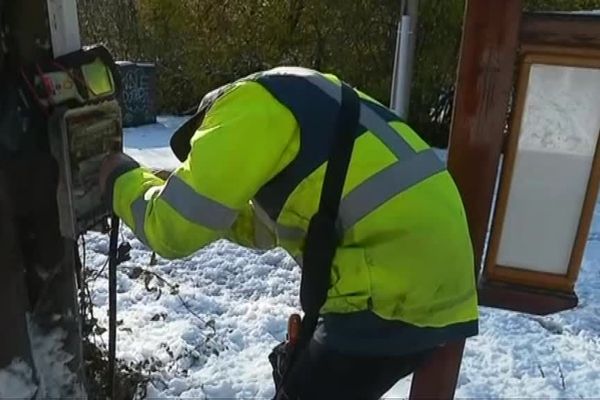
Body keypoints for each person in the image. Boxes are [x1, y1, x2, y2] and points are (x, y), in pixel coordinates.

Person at [99, 66, 479, 399]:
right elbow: (263, 230)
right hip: (448, 279)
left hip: (391, 285)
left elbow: (170, 230)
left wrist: (121, 178)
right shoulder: (300, 100)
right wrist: (200, 201)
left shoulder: (242, 108)